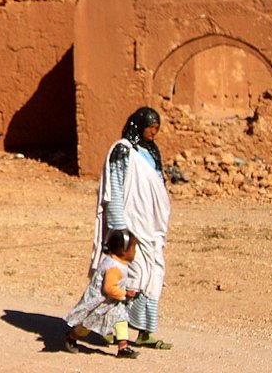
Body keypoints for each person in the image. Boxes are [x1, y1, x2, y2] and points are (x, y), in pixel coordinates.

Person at [89, 106, 172, 349]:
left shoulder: (152, 152)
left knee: (153, 274)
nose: (153, 133)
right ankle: (111, 328)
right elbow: (114, 188)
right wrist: (118, 226)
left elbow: (156, 184)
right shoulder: (123, 151)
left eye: (157, 129)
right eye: (150, 127)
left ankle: (146, 331)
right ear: (139, 125)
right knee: (126, 278)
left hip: (151, 225)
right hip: (130, 224)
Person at [64, 230, 139, 359]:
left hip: (113, 303)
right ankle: (72, 336)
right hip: (100, 303)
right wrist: (124, 294)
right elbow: (109, 288)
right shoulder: (114, 267)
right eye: (133, 248)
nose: (134, 252)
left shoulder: (117, 262)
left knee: (121, 319)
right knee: (86, 326)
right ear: (123, 251)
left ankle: (123, 347)